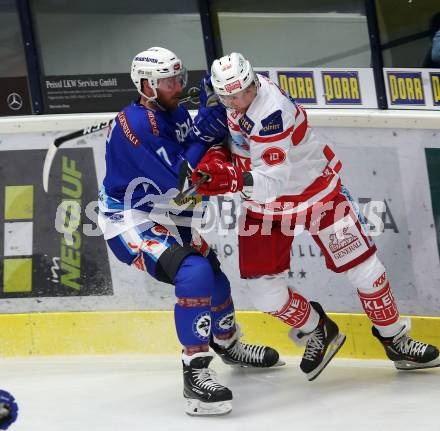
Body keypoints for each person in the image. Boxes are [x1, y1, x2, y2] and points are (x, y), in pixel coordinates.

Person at [192, 52, 440, 381]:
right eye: (229, 97)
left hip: (314, 195)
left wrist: (231, 178)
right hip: (263, 209)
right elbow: (231, 142)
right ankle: (317, 328)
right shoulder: (227, 99)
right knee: (265, 295)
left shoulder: (271, 112)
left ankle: (396, 339)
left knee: (366, 272)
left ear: (254, 82)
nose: (238, 101)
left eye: (243, 93)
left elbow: (271, 182)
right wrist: (213, 150)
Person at [97, 47, 281, 416]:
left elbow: (189, 159)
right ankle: (195, 374)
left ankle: (227, 343)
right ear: (146, 84)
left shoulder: (172, 109)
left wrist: (204, 127)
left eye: (180, 78)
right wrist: (205, 131)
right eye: (168, 81)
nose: (178, 86)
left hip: (167, 212)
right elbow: (183, 184)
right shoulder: (136, 127)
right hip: (132, 218)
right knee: (194, 272)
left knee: (215, 280)